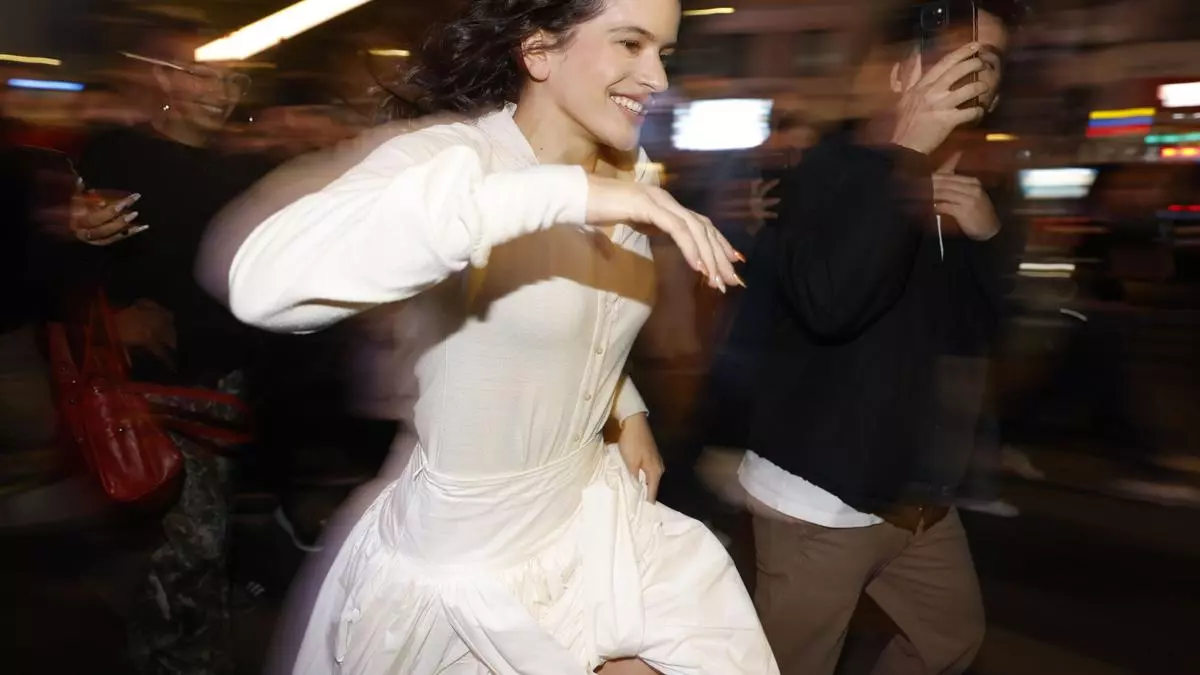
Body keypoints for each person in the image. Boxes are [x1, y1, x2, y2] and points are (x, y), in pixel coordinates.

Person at [213, 1, 776, 674]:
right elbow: (263, 284)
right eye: (630, 44)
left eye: (664, 52)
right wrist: (565, 194)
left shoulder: (630, 166)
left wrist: (624, 409)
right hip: (471, 564)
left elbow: (573, 313)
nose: (656, 76)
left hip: (585, 509)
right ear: (538, 52)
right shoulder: (456, 158)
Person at [740, 2, 1026, 674]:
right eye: (957, 53)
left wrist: (986, 238)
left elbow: (978, 332)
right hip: (821, 497)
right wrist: (907, 154)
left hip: (915, 497)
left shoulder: (962, 188)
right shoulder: (828, 170)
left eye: (990, 62)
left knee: (949, 639)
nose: (976, 73)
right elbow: (831, 305)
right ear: (902, 74)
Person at [68, 19, 272, 675]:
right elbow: (63, 259)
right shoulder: (116, 157)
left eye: (234, 80)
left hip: (226, 378)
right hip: (151, 384)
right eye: (204, 77)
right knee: (191, 542)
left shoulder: (248, 168)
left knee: (198, 541)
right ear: (164, 79)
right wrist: (108, 306)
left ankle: (182, 645)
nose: (222, 93)